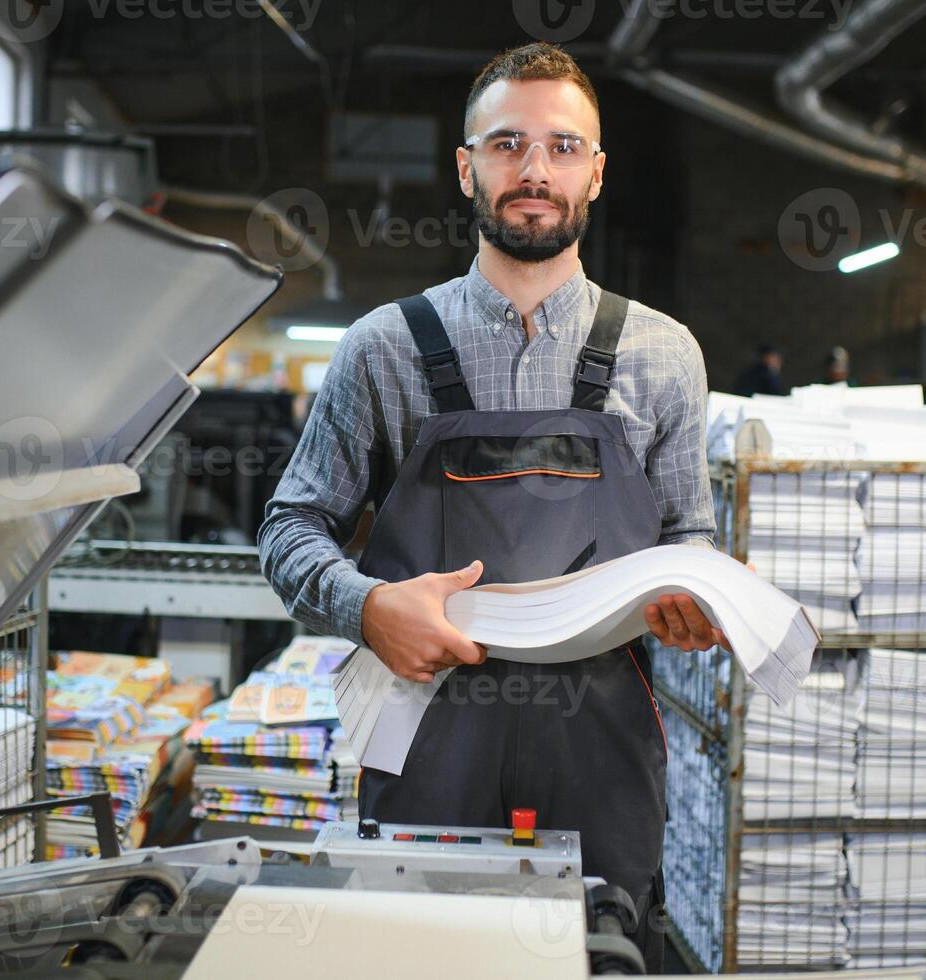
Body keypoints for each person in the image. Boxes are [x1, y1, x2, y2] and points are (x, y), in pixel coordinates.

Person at [258, 43, 720, 971]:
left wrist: (696, 600)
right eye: (506, 145)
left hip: (603, 743)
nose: (534, 171)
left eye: (560, 146)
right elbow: (288, 529)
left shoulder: (662, 356)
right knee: (422, 956)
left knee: (604, 953)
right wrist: (365, 606)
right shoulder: (382, 349)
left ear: (594, 170)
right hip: (426, 728)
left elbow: (688, 536)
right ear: (466, 167)